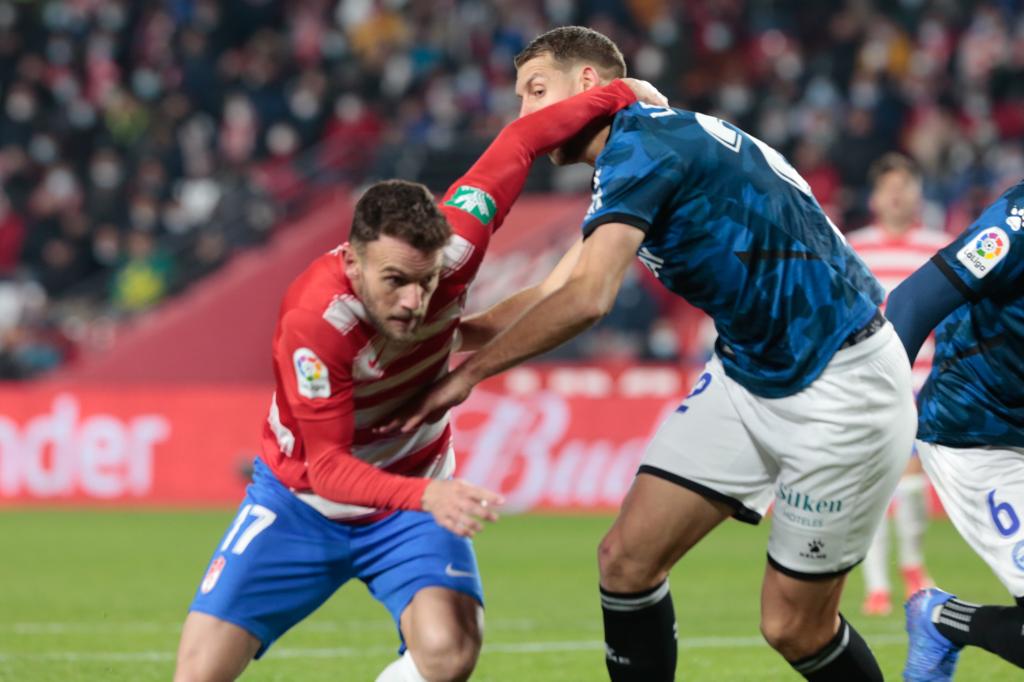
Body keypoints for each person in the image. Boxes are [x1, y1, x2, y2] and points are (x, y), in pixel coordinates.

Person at [384, 26, 916, 681]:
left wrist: (467, 378)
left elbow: (586, 299)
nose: (523, 115)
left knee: (793, 627)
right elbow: (558, 283)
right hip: (751, 373)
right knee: (626, 561)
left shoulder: (643, 147)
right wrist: (461, 332)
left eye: (536, 91)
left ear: (589, 87)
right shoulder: (648, 139)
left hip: (843, 385)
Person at [173, 77, 660, 682]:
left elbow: (521, 138)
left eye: (424, 282)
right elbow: (328, 467)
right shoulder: (317, 321)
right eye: (395, 281)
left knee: (450, 652)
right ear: (352, 261)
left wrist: (617, 91)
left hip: (409, 490)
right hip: (302, 502)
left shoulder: (456, 249)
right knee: (196, 675)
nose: (412, 301)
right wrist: (430, 497)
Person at [886, 179, 1024, 680]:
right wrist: (879, 413)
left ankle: (941, 621)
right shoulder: (1016, 223)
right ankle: (942, 620)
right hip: (978, 432)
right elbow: (910, 304)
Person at [846, 153, 946, 616]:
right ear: (875, 197)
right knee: (874, 484)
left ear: (917, 193)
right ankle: (880, 584)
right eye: (889, 186)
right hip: (872, 385)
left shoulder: (940, 245)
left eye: (905, 185)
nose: (897, 194)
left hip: (927, 383)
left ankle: (909, 565)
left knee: (909, 486)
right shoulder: (854, 248)